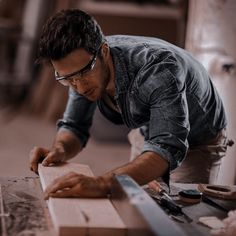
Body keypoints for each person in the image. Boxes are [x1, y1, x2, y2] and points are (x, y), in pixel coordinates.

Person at [29, 9, 232, 199]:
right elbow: (75, 125)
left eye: (83, 74)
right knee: (137, 204)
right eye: (68, 79)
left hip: (197, 139)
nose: (79, 88)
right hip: (147, 126)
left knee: (179, 218)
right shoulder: (81, 65)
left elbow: (166, 148)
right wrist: (61, 149)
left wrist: (100, 183)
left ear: (104, 51)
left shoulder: (158, 70)